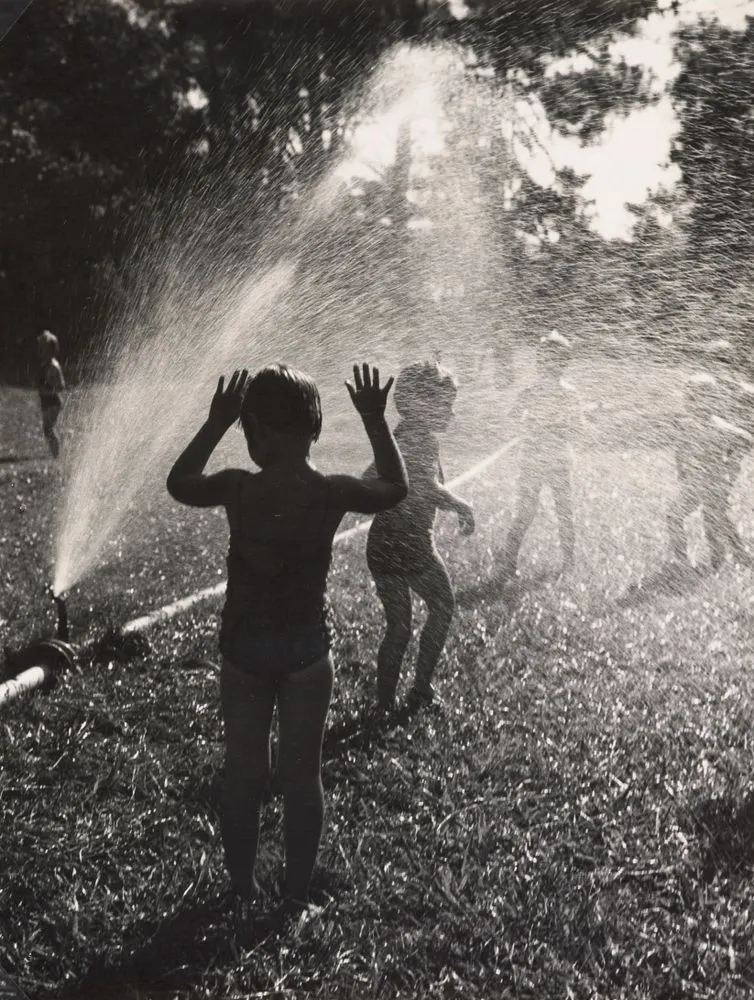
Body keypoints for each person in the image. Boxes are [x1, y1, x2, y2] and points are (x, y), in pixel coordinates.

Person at [166, 363, 407, 922]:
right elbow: (396, 488)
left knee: (244, 772)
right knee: (303, 775)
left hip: (244, 653)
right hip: (305, 653)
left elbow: (179, 483)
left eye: (245, 428)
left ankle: (243, 888)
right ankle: (296, 899)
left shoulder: (237, 487)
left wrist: (213, 424)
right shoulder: (329, 493)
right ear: (314, 427)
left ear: (255, 431)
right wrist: (375, 421)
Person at [365, 360, 475, 715]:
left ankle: (384, 704)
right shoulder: (422, 438)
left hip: (382, 545)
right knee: (442, 606)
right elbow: (427, 487)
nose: (453, 414)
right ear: (419, 403)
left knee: (398, 627)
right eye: (446, 404)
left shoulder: (397, 435)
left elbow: (370, 475)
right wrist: (461, 505)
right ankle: (421, 686)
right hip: (412, 547)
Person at [500, 330, 588, 580]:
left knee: (565, 511)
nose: (551, 365)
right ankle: (508, 560)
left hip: (559, 460)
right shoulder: (530, 392)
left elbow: (578, 428)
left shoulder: (569, 393)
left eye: (558, 360)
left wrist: (560, 428)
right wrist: (527, 424)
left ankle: (569, 562)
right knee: (526, 511)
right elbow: (512, 419)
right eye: (546, 359)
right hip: (532, 460)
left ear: (565, 363)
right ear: (539, 362)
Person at [667, 371, 754, 569]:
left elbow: (746, 439)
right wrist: (681, 469)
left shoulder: (718, 427)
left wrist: (731, 464)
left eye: (693, 397)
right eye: (687, 397)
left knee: (703, 518)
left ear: (711, 400)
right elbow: (681, 448)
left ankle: (699, 562)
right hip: (698, 480)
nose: (688, 401)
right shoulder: (688, 424)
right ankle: (735, 556)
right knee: (714, 518)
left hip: (714, 480)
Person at [37, 330, 65, 458]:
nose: (40, 351)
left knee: (48, 429)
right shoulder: (45, 365)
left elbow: (61, 386)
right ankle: (55, 454)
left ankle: (57, 455)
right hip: (46, 403)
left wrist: (47, 392)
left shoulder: (54, 366)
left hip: (53, 402)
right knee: (47, 430)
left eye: (43, 348)